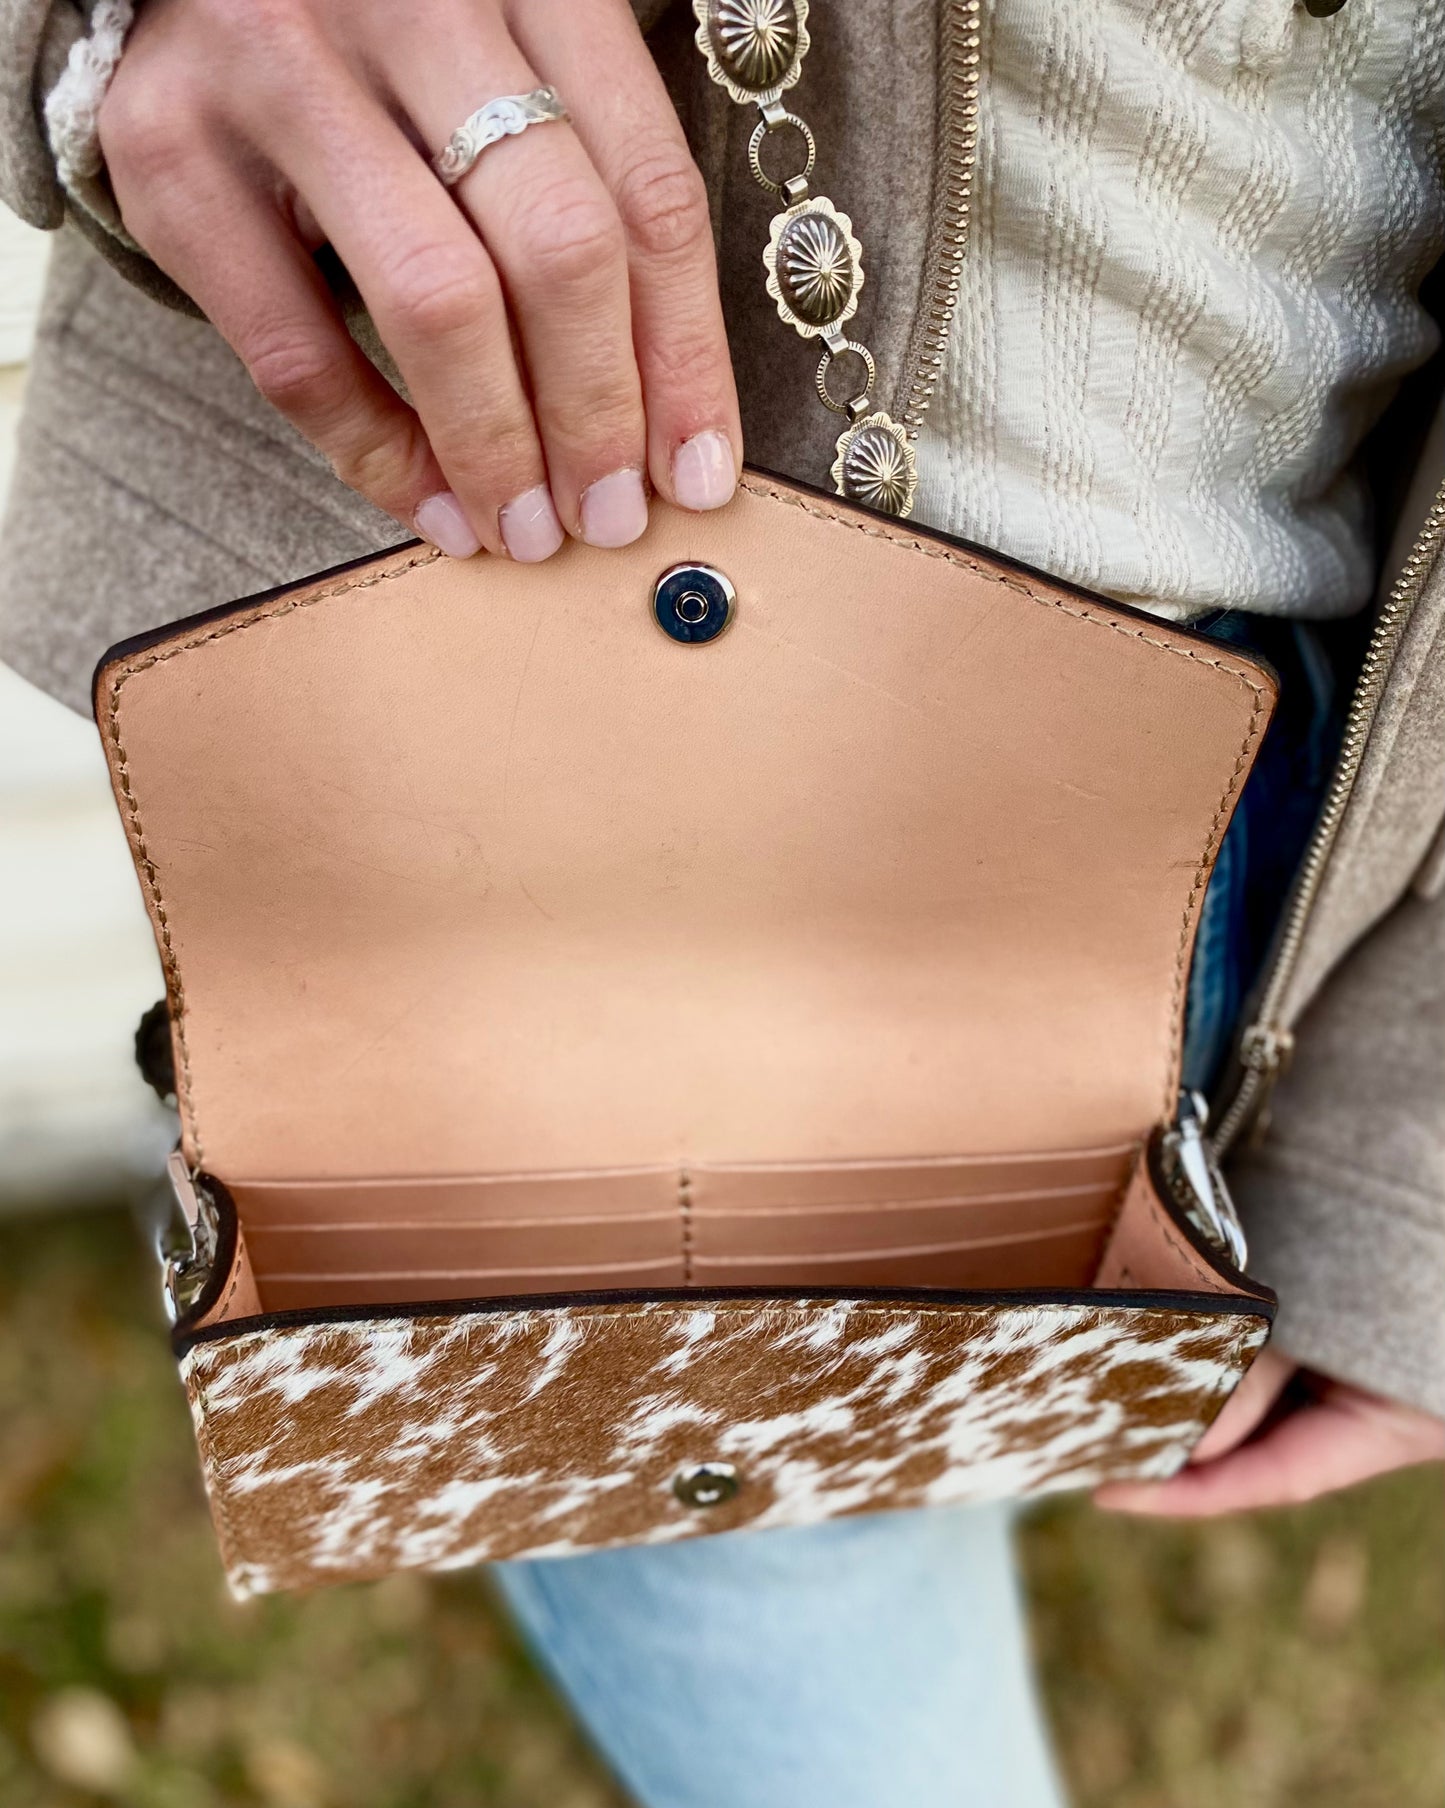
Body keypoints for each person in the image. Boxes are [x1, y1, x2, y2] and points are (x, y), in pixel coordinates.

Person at [2, 2, 1442, 1802]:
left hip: (1236, 772)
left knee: (886, 1440)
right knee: (751, 1562)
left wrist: (1411, 1173)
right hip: (471, 697)